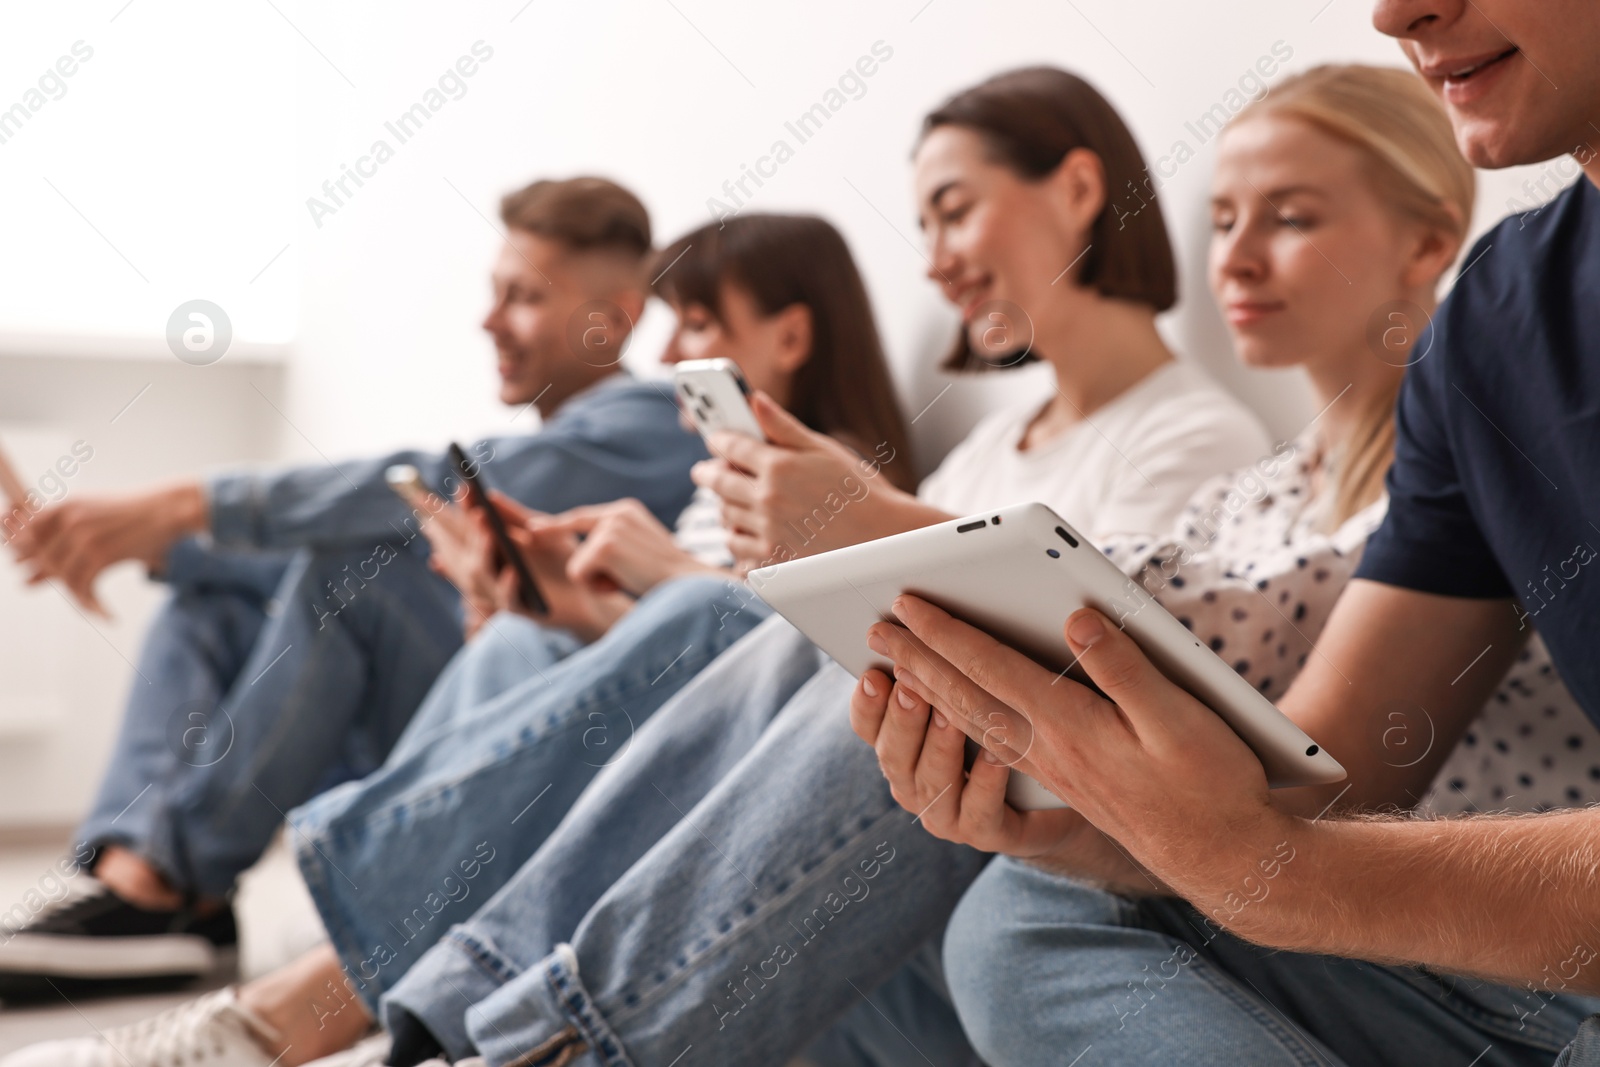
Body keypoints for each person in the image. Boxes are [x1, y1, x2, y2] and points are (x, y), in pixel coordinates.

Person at [328, 66, 1270, 1067]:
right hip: (835, 907)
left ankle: (436, 1011)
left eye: (954, 213)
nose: (938, 263)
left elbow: (1113, 693)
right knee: (566, 635)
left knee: (784, 639)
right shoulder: (991, 451)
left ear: (1080, 191)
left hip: (975, 906)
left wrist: (842, 530)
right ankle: (443, 1008)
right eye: (924, 227)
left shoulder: (1192, 437)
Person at [858, 3, 1600, 1064]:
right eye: (1225, 219)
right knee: (1030, 902)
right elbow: (1336, 770)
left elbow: (1286, 824)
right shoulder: (1488, 325)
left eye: (1290, 218)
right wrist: (1086, 823)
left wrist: (1274, 871)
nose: (1394, 11)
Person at [0, 177, 708, 996]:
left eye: (524, 296)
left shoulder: (654, 423)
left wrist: (180, 507)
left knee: (353, 567)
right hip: (441, 694)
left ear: (615, 317)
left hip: (542, 738)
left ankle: (169, 887)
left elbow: (430, 488)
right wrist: (149, 547)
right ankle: (145, 885)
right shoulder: (562, 438)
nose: (488, 320)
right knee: (217, 600)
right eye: (493, 291)